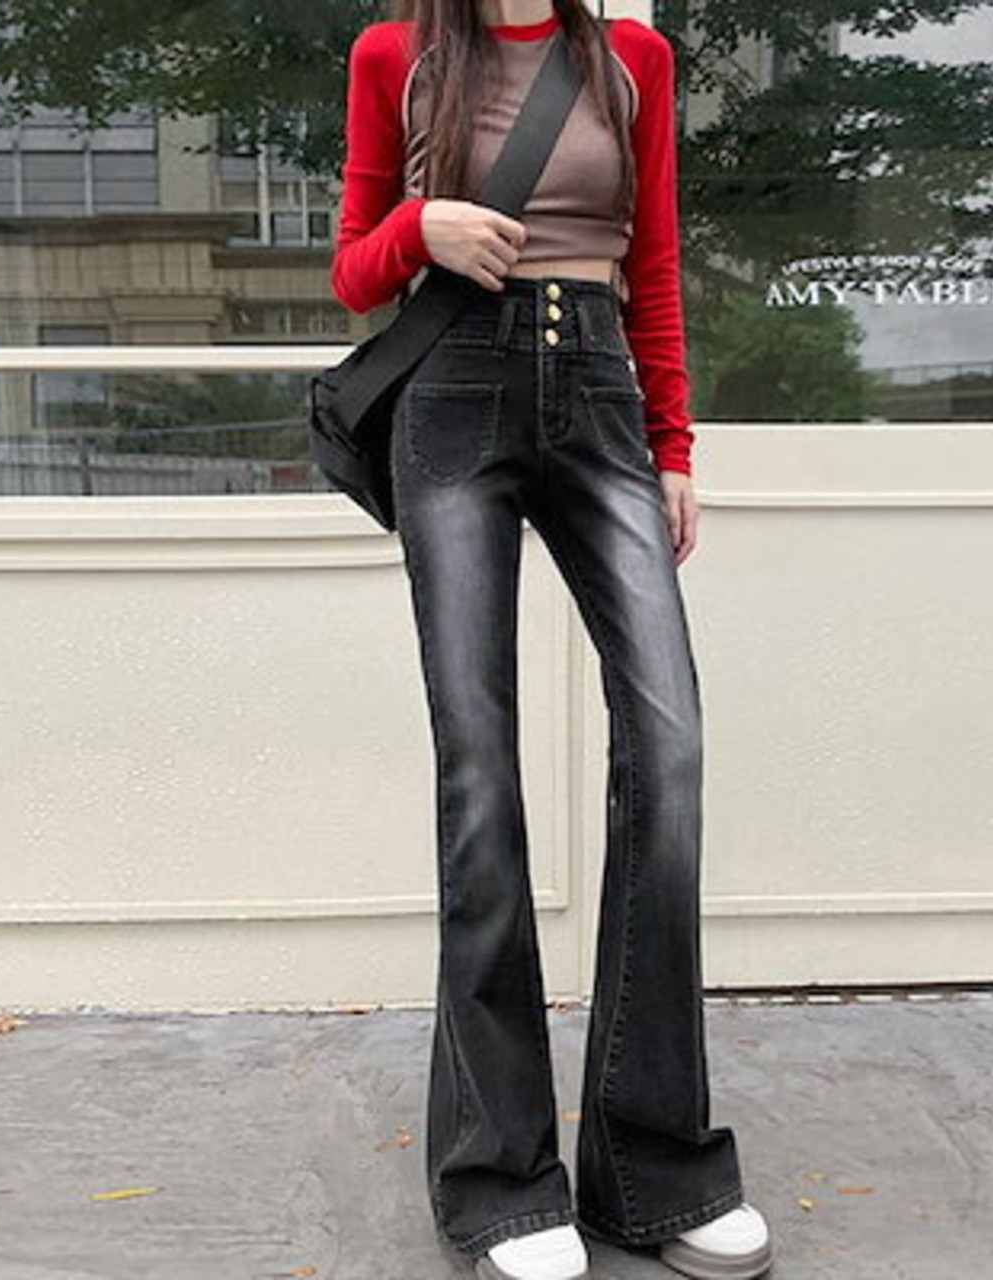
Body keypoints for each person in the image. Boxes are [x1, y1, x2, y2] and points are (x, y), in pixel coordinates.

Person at [330, 2, 773, 1277]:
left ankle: (653, 1166)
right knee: (480, 773)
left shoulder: (631, 60)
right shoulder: (395, 55)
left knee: (668, 747)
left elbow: (653, 264)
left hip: (597, 389)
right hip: (455, 395)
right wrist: (422, 227)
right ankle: (500, 1176)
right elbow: (354, 268)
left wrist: (672, 444)